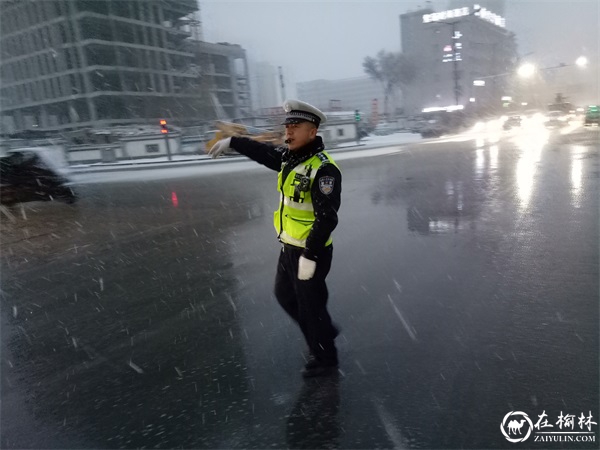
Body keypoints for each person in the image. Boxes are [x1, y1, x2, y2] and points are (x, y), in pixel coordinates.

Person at [209, 99, 342, 377]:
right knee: (285, 296)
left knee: (310, 304)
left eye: (296, 126)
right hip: (289, 248)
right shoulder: (289, 159)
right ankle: (323, 332)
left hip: (310, 251)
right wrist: (234, 140)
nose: (288, 132)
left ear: (313, 131)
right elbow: (262, 150)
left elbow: (327, 218)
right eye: (288, 126)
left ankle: (325, 357)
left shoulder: (323, 170)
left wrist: (310, 255)